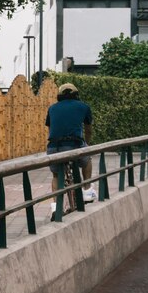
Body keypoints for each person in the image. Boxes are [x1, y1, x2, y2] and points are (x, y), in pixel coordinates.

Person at [45, 82, 96, 218]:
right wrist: (88, 144)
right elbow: (88, 129)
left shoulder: (52, 108)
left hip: (54, 147)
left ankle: (56, 207)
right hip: (74, 145)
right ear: (76, 95)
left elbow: (50, 131)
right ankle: (87, 191)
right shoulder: (83, 107)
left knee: (56, 176)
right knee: (87, 160)